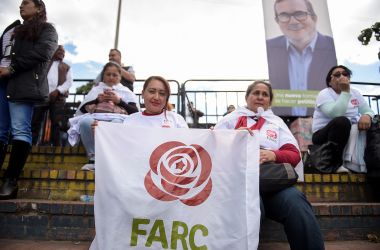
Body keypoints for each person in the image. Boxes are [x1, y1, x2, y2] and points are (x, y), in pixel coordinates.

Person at [214, 81, 324, 250]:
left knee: (296, 202)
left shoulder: (277, 123)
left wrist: (274, 154)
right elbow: (214, 149)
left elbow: (294, 155)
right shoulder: (230, 120)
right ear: (247, 97)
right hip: (240, 184)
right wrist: (234, 139)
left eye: (265, 94)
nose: (260, 97)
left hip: (272, 183)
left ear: (270, 101)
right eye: (256, 93)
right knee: (252, 205)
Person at [0, 0, 58, 200]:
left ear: (39, 8)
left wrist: (12, 68)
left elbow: (43, 52)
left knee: (20, 129)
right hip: (2, 83)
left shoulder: (47, 29)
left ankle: (10, 181)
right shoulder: (12, 28)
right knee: (0, 132)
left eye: (26, 3)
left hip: (21, 83)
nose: (21, 6)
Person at [266, 0, 337, 116]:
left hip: (323, 121)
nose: (293, 21)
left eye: (300, 14)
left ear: (314, 18)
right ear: (277, 21)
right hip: (283, 123)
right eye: (284, 15)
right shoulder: (270, 47)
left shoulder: (330, 48)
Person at [68, 62, 139, 171]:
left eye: (114, 75)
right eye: (108, 74)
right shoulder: (96, 90)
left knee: (116, 124)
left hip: (118, 118)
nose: (111, 77)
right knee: (85, 122)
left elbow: (135, 111)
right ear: (103, 76)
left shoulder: (126, 91)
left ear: (120, 77)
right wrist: (97, 100)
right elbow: (82, 109)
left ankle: (111, 160)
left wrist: (119, 101)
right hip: (95, 117)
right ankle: (93, 158)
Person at [311, 65, 374, 173]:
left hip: (349, 129)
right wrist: (345, 92)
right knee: (342, 121)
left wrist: (366, 116)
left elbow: (368, 110)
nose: (342, 76)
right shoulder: (325, 93)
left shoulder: (355, 93)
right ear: (330, 82)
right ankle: (335, 165)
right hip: (323, 134)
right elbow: (336, 113)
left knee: (372, 125)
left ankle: (367, 164)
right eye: (337, 74)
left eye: (345, 74)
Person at [31, 45, 73, 146]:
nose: (62, 53)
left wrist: (58, 91)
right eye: (59, 50)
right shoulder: (45, 63)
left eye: (63, 52)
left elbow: (69, 82)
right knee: (35, 121)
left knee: (57, 123)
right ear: (53, 51)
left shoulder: (66, 66)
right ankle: (31, 146)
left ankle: (56, 147)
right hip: (42, 96)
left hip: (58, 98)